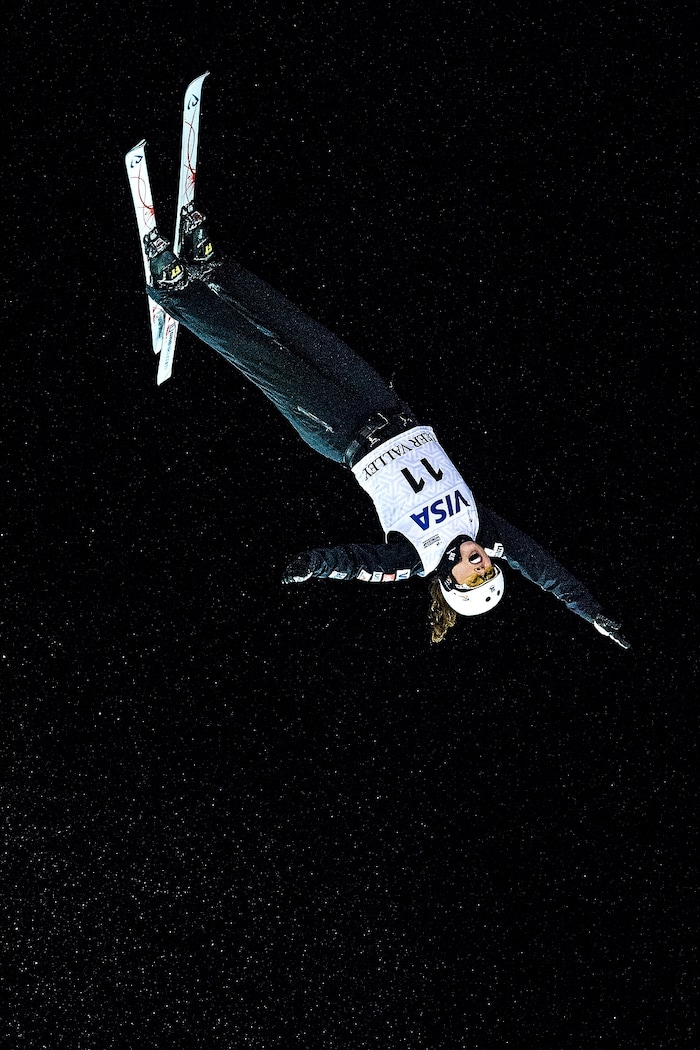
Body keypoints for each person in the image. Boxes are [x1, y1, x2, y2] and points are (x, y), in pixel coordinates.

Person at [143, 210, 629, 649]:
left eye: (473, 577)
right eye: (489, 572)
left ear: (450, 580)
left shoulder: (415, 558)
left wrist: (315, 565)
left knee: (264, 358)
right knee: (303, 331)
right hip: (388, 406)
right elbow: (547, 572)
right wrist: (594, 614)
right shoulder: (490, 532)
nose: (482, 565)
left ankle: (176, 289)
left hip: (341, 432)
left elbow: (357, 564)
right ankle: (214, 266)